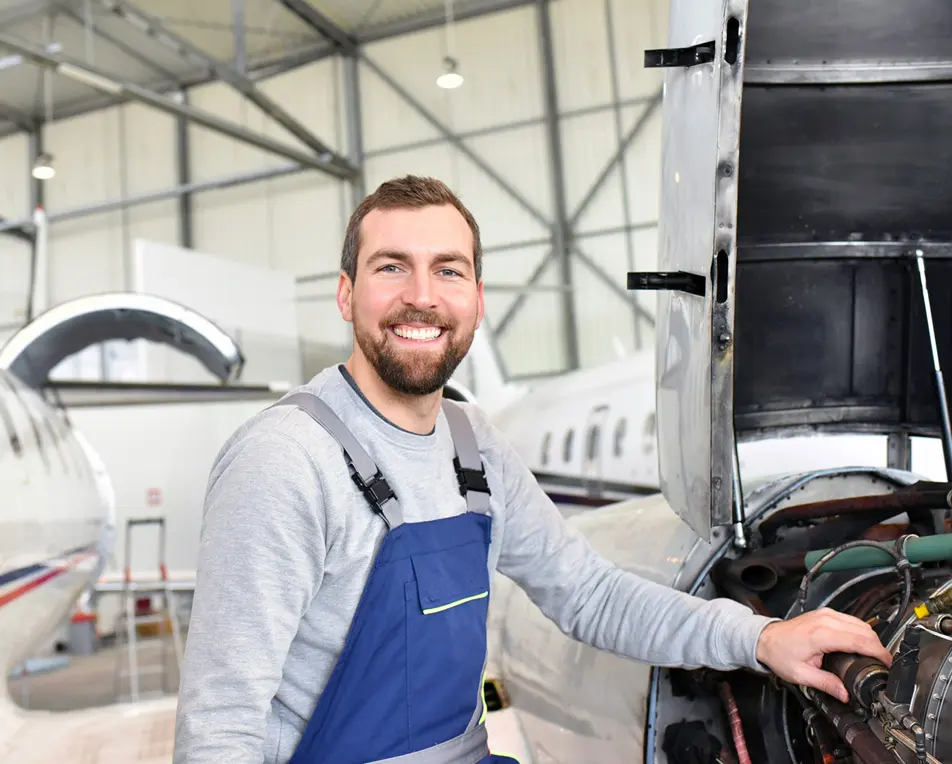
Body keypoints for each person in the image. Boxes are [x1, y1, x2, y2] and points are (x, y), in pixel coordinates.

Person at [172, 175, 892, 764]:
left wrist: (759, 638)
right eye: (391, 267)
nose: (421, 295)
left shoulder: (471, 442)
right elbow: (219, 727)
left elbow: (588, 595)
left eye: (447, 270)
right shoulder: (284, 460)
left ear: (476, 300)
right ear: (345, 293)